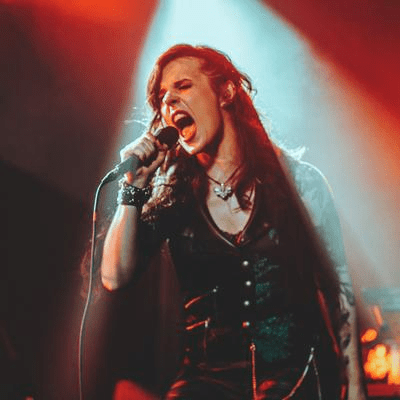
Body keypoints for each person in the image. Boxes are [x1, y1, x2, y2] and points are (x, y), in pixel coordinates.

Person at [100, 44, 366, 399]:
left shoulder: (301, 185)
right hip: (206, 384)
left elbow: (338, 291)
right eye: (162, 97)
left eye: (183, 86)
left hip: (295, 382)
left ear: (225, 91)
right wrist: (132, 190)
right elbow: (114, 276)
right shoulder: (173, 199)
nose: (169, 100)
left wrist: (356, 388)